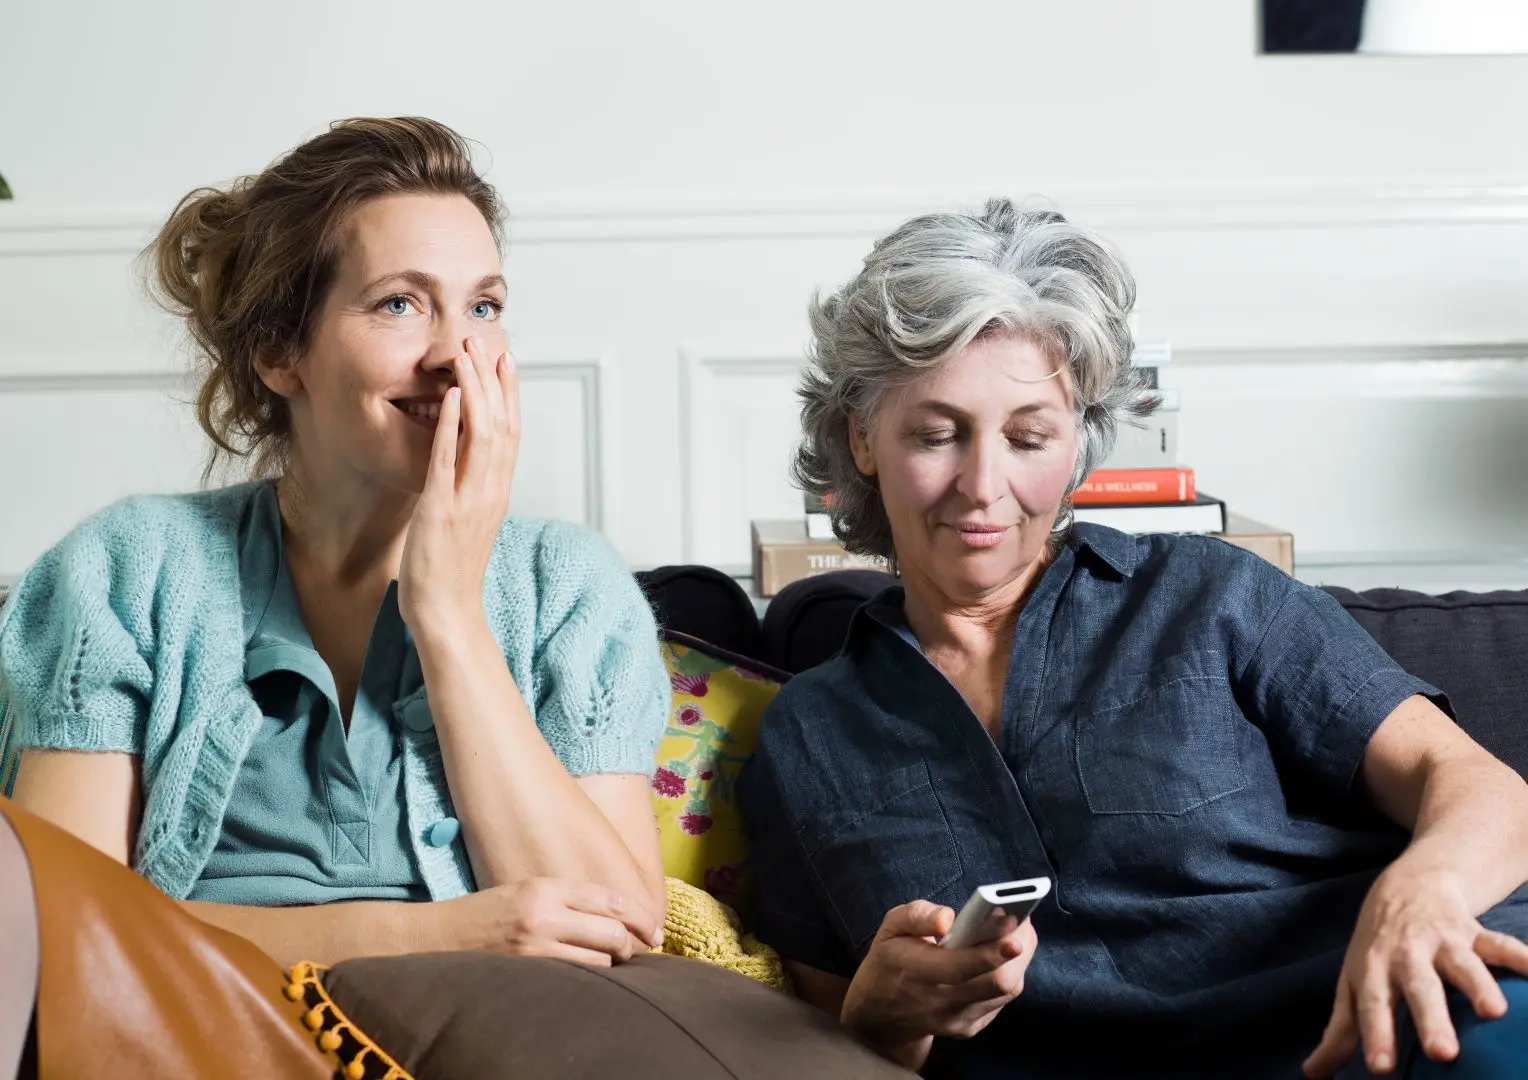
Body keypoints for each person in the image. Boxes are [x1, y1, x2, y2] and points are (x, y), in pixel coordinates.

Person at [736, 198, 1528, 1079]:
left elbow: (1474, 783)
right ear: (862, 438)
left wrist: (1427, 890)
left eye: (1031, 436)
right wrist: (882, 1019)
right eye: (936, 433)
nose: (984, 486)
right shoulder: (807, 734)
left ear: (1076, 448)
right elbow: (825, 1046)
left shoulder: (1208, 595)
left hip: (1393, 1024)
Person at [0, 117, 669, 971]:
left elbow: (616, 936)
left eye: (485, 308)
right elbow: (66, 935)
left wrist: (450, 615)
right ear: (280, 354)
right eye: (400, 303)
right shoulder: (124, 571)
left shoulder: (570, 586)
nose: (457, 355)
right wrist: (434, 934)